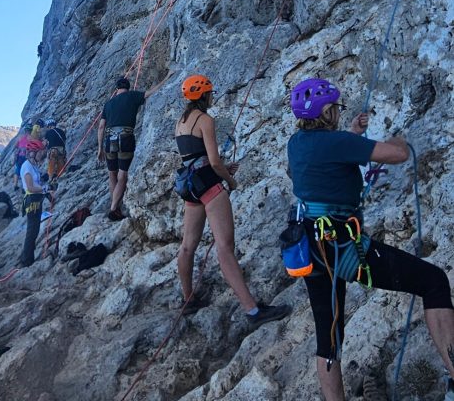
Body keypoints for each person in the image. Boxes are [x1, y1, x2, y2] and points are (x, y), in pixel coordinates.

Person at [286, 78, 454, 401]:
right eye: (335, 107)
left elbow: (329, 155)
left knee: (328, 339)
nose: (338, 111)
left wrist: (352, 134)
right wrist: (399, 138)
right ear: (327, 111)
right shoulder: (336, 144)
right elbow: (395, 155)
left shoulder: (297, 143)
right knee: (433, 282)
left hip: (310, 247)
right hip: (343, 249)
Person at [173, 74, 290, 326]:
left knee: (187, 246)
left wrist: (223, 168)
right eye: (210, 93)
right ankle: (253, 311)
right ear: (204, 95)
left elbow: (195, 158)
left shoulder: (180, 122)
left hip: (191, 188)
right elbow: (213, 162)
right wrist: (231, 180)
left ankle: (187, 298)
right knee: (224, 247)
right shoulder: (205, 120)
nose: (212, 96)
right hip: (210, 188)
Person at [97, 75, 168, 219]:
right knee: (122, 175)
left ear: (116, 89)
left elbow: (101, 126)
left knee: (112, 174)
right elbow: (150, 92)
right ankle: (113, 208)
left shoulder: (108, 104)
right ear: (128, 87)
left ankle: (115, 207)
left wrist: (100, 148)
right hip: (125, 137)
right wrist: (166, 77)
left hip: (109, 140)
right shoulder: (133, 96)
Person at [19, 139, 47, 267]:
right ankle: (26, 260)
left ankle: (28, 258)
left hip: (35, 199)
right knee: (32, 231)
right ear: (33, 152)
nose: (42, 154)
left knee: (34, 230)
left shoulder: (33, 165)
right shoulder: (27, 166)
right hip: (32, 200)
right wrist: (45, 188)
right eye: (40, 152)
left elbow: (36, 182)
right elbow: (30, 187)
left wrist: (43, 179)